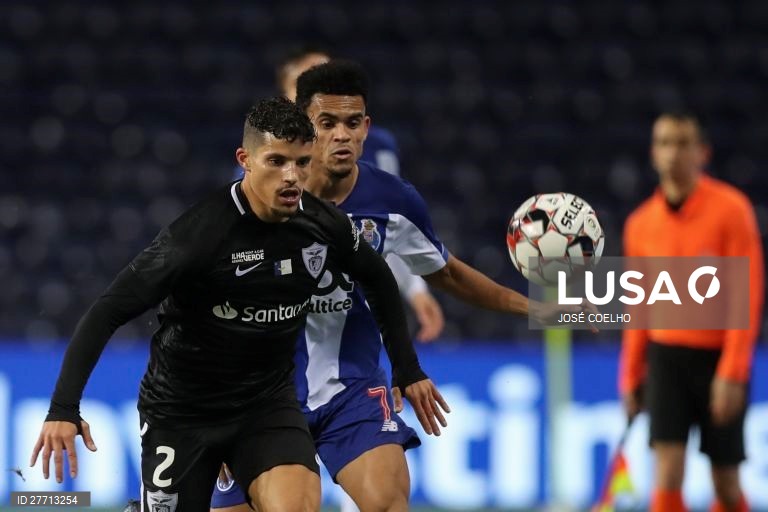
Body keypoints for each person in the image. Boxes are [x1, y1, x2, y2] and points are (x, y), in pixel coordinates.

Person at [29, 97, 446, 512]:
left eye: (302, 162)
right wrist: (63, 408)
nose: (292, 177)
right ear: (245, 159)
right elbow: (107, 312)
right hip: (183, 410)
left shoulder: (323, 223)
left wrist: (407, 368)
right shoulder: (196, 237)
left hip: (267, 405)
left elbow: (377, 278)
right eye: (277, 161)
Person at [211, 60, 593, 512]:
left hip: (350, 389)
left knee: (390, 503)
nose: (342, 136)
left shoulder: (392, 201)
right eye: (327, 123)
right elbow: (212, 306)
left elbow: (447, 273)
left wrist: (538, 310)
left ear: (367, 127)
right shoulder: (255, 199)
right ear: (304, 125)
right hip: (264, 394)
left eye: (353, 123)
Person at [619, 112, 764, 512]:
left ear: (702, 153)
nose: (673, 153)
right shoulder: (640, 224)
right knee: (667, 472)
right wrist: (631, 372)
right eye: (665, 142)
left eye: (683, 143)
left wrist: (733, 372)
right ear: (653, 153)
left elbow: (746, 295)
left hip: (718, 357)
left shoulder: (731, 210)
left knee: (726, 481)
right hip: (666, 358)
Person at [271, 45, 445, 344]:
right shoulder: (263, 164)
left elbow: (386, 226)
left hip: (351, 322)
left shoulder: (377, 148)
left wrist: (415, 290)